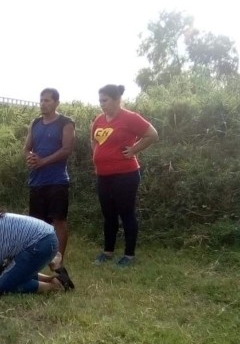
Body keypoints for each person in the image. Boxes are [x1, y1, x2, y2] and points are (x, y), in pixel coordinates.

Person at [91, 84, 159, 268]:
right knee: (108, 214)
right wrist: (97, 156)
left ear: (116, 99)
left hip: (125, 174)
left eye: (105, 100)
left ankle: (129, 255)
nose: (101, 104)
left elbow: (152, 134)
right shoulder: (99, 119)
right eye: (100, 100)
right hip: (103, 175)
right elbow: (94, 139)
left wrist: (134, 149)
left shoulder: (130, 118)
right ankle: (108, 251)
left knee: (126, 213)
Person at [23, 88, 75, 268]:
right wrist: (29, 157)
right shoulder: (35, 122)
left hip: (57, 181)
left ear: (56, 103)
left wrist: (43, 161)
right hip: (36, 181)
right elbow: (26, 148)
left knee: (58, 220)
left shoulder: (66, 123)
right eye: (41, 100)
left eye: (47, 100)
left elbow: (66, 149)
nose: (43, 104)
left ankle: (59, 260)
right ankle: (39, 258)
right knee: (37, 223)